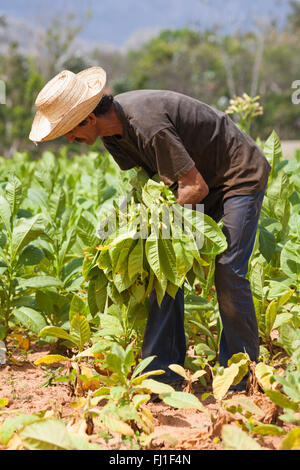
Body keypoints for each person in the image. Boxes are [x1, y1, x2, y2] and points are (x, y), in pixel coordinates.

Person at [29, 67, 271, 391]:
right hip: (197, 182)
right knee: (163, 271)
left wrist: (159, 233)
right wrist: (134, 235)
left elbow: (193, 187)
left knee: (228, 270)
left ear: (87, 119)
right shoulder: (113, 137)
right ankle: (161, 375)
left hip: (236, 176)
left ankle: (240, 374)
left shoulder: (146, 124)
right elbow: (151, 184)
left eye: (69, 131)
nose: (70, 139)